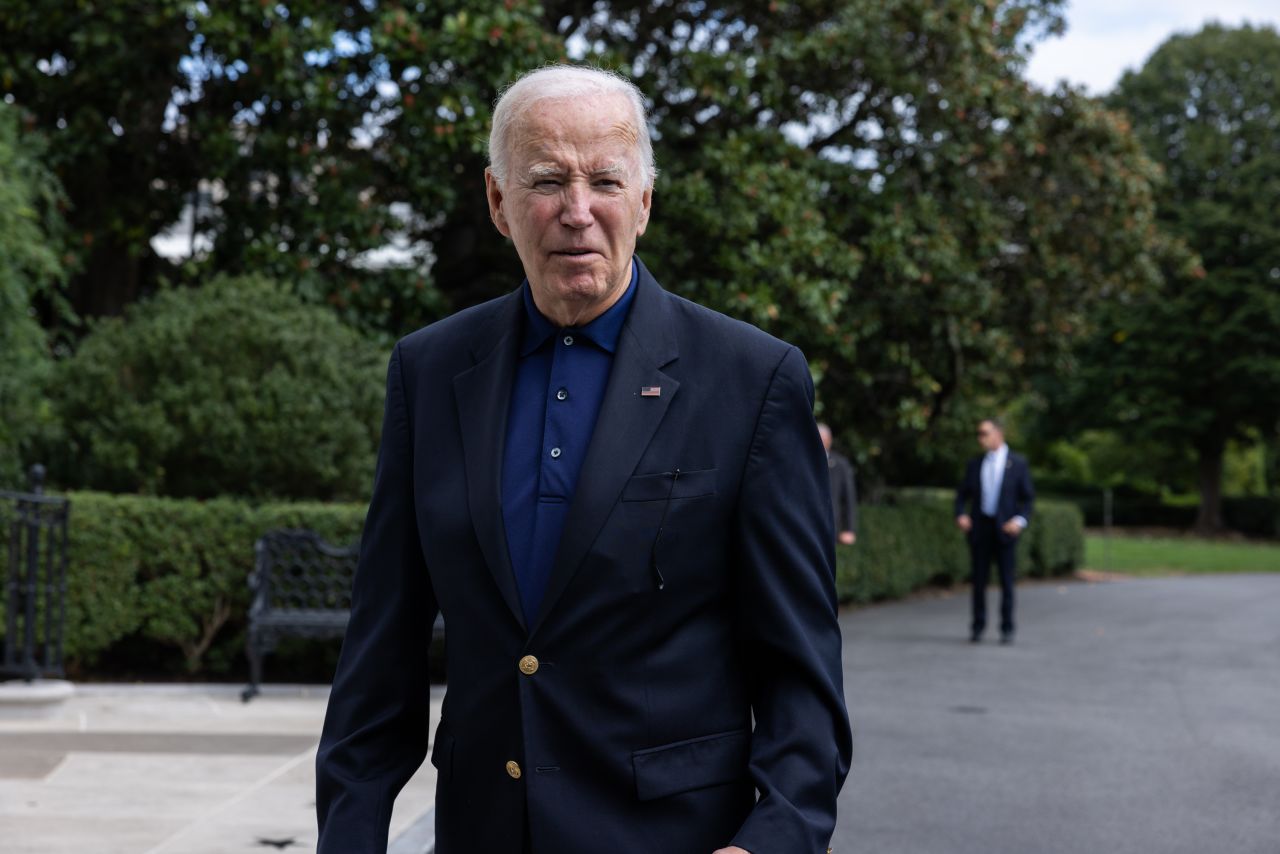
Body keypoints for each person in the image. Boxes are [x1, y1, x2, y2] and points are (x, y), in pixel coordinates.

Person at [315, 65, 851, 854]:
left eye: (605, 179)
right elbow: (380, 649)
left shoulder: (752, 379)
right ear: (498, 203)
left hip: (675, 836)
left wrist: (773, 838)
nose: (577, 211)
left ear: (644, 200)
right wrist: (350, 835)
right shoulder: (428, 372)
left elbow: (800, 666)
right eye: (545, 180)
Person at [953, 417, 1035, 644]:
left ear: (998, 434)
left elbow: (1028, 500)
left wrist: (1018, 521)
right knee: (979, 581)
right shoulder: (975, 464)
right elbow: (962, 495)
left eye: (984, 433)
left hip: (1005, 530)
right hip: (981, 529)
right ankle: (978, 625)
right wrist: (961, 514)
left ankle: (1007, 627)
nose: (980, 438)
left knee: (1007, 581)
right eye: (978, 434)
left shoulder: (1017, 463)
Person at [818, 423, 857, 545]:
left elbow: (848, 497)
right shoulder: (802, 463)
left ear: (829, 440)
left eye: (824, 439)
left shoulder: (840, 464)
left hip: (833, 527)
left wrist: (849, 529)